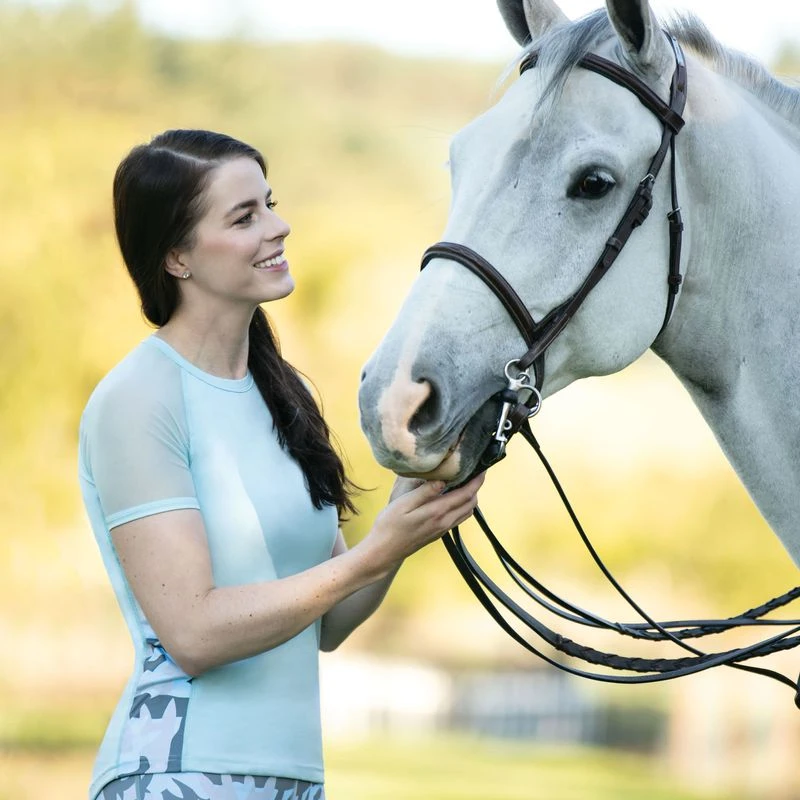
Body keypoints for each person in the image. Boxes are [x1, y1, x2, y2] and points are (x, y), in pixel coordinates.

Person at [78, 129, 485, 800]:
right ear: (177, 256)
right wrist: (371, 554)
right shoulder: (138, 398)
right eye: (245, 217)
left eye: (269, 204)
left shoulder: (278, 395)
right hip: (180, 774)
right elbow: (194, 633)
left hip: (293, 779)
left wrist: (412, 504)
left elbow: (327, 622)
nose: (279, 226)